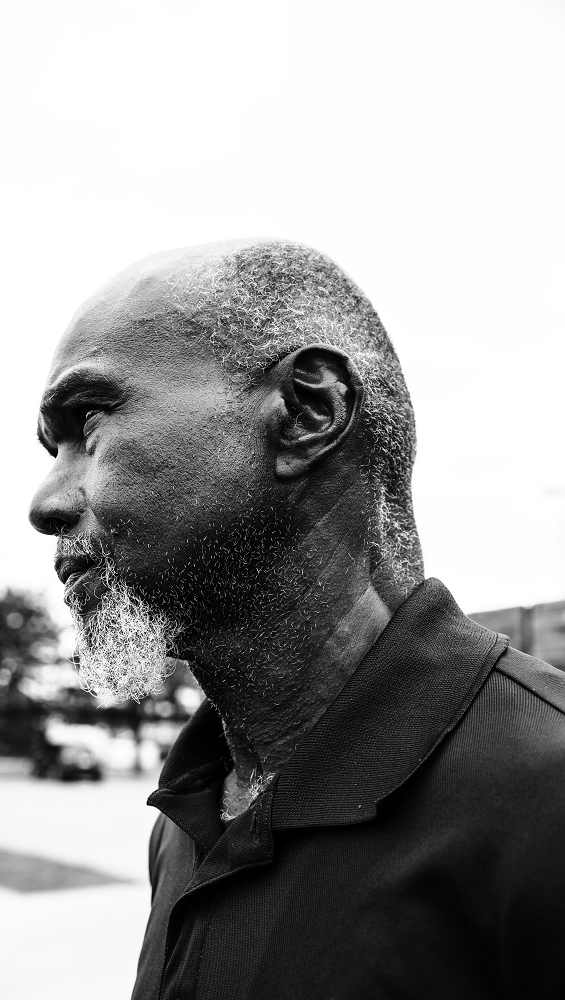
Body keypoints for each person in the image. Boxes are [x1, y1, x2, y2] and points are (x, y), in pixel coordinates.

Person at [29, 239, 565, 999]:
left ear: (308, 411)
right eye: (53, 451)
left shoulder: (547, 797)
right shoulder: (187, 817)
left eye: (89, 423)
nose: (45, 504)